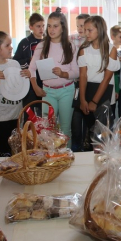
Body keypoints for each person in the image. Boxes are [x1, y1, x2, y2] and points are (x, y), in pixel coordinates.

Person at [29, 8, 79, 143]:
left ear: (63, 27)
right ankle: (51, 158)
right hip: (48, 92)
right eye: (49, 26)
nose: (51, 29)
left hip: (66, 91)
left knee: (65, 128)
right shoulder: (41, 46)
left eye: (55, 26)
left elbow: (76, 72)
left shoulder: (71, 46)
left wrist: (63, 74)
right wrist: (35, 87)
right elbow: (31, 69)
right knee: (48, 129)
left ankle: (66, 157)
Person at [78, 16, 120, 145]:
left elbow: (106, 79)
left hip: (104, 96)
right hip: (88, 94)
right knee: (92, 134)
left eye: (89, 30)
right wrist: (83, 100)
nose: (86, 33)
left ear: (100, 30)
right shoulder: (83, 50)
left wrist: (94, 101)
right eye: (85, 30)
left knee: (104, 136)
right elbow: (83, 76)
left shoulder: (111, 50)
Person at [13, 12, 45, 119]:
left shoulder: (48, 42)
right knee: (29, 115)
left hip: (45, 82)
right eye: (38, 26)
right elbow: (16, 62)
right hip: (29, 86)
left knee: (44, 115)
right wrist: (29, 61)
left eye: (43, 26)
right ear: (31, 27)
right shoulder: (24, 43)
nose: (41, 29)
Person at [69, 13, 89, 152]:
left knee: (88, 117)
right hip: (75, 83)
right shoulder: (71, 39)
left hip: (89, 83)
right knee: (75, 118)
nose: (80, 28)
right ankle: (76, 146)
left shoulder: (93, 40)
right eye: (78, 26)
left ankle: (87, 145)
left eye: (83, 25)